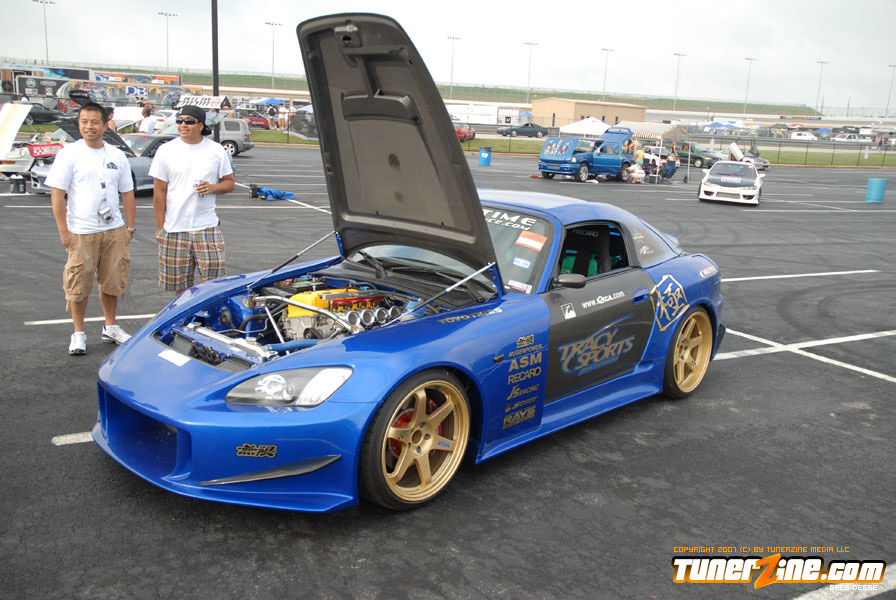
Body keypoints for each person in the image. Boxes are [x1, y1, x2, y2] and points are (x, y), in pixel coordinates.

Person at [46, 102, 136, 355]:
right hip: (81, 231)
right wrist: (64, 231)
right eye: (84, 122)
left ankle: (111, 327)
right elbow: (57, 194)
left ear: (105, 125)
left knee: (113, 281)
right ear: (79, 124)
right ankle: (78, 333)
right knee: (78, 283)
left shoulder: (116, 155)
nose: (89, 127)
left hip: (114, 230)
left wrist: (129, 227)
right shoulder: (69, 154)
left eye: (95, 122)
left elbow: (128, 193)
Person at [150, 105, 235, 295]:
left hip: (206, 227)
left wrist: (213, 187)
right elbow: (160, 191)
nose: (183, 125)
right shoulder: (166, 150)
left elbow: (229, 183)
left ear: (201, 125)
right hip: (174, 229)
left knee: (214, 285)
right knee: (179, 288)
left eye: (189, 121)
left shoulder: (216, 150)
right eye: (179, 121)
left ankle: (209, 315)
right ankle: (185, 314)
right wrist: (160, 227)